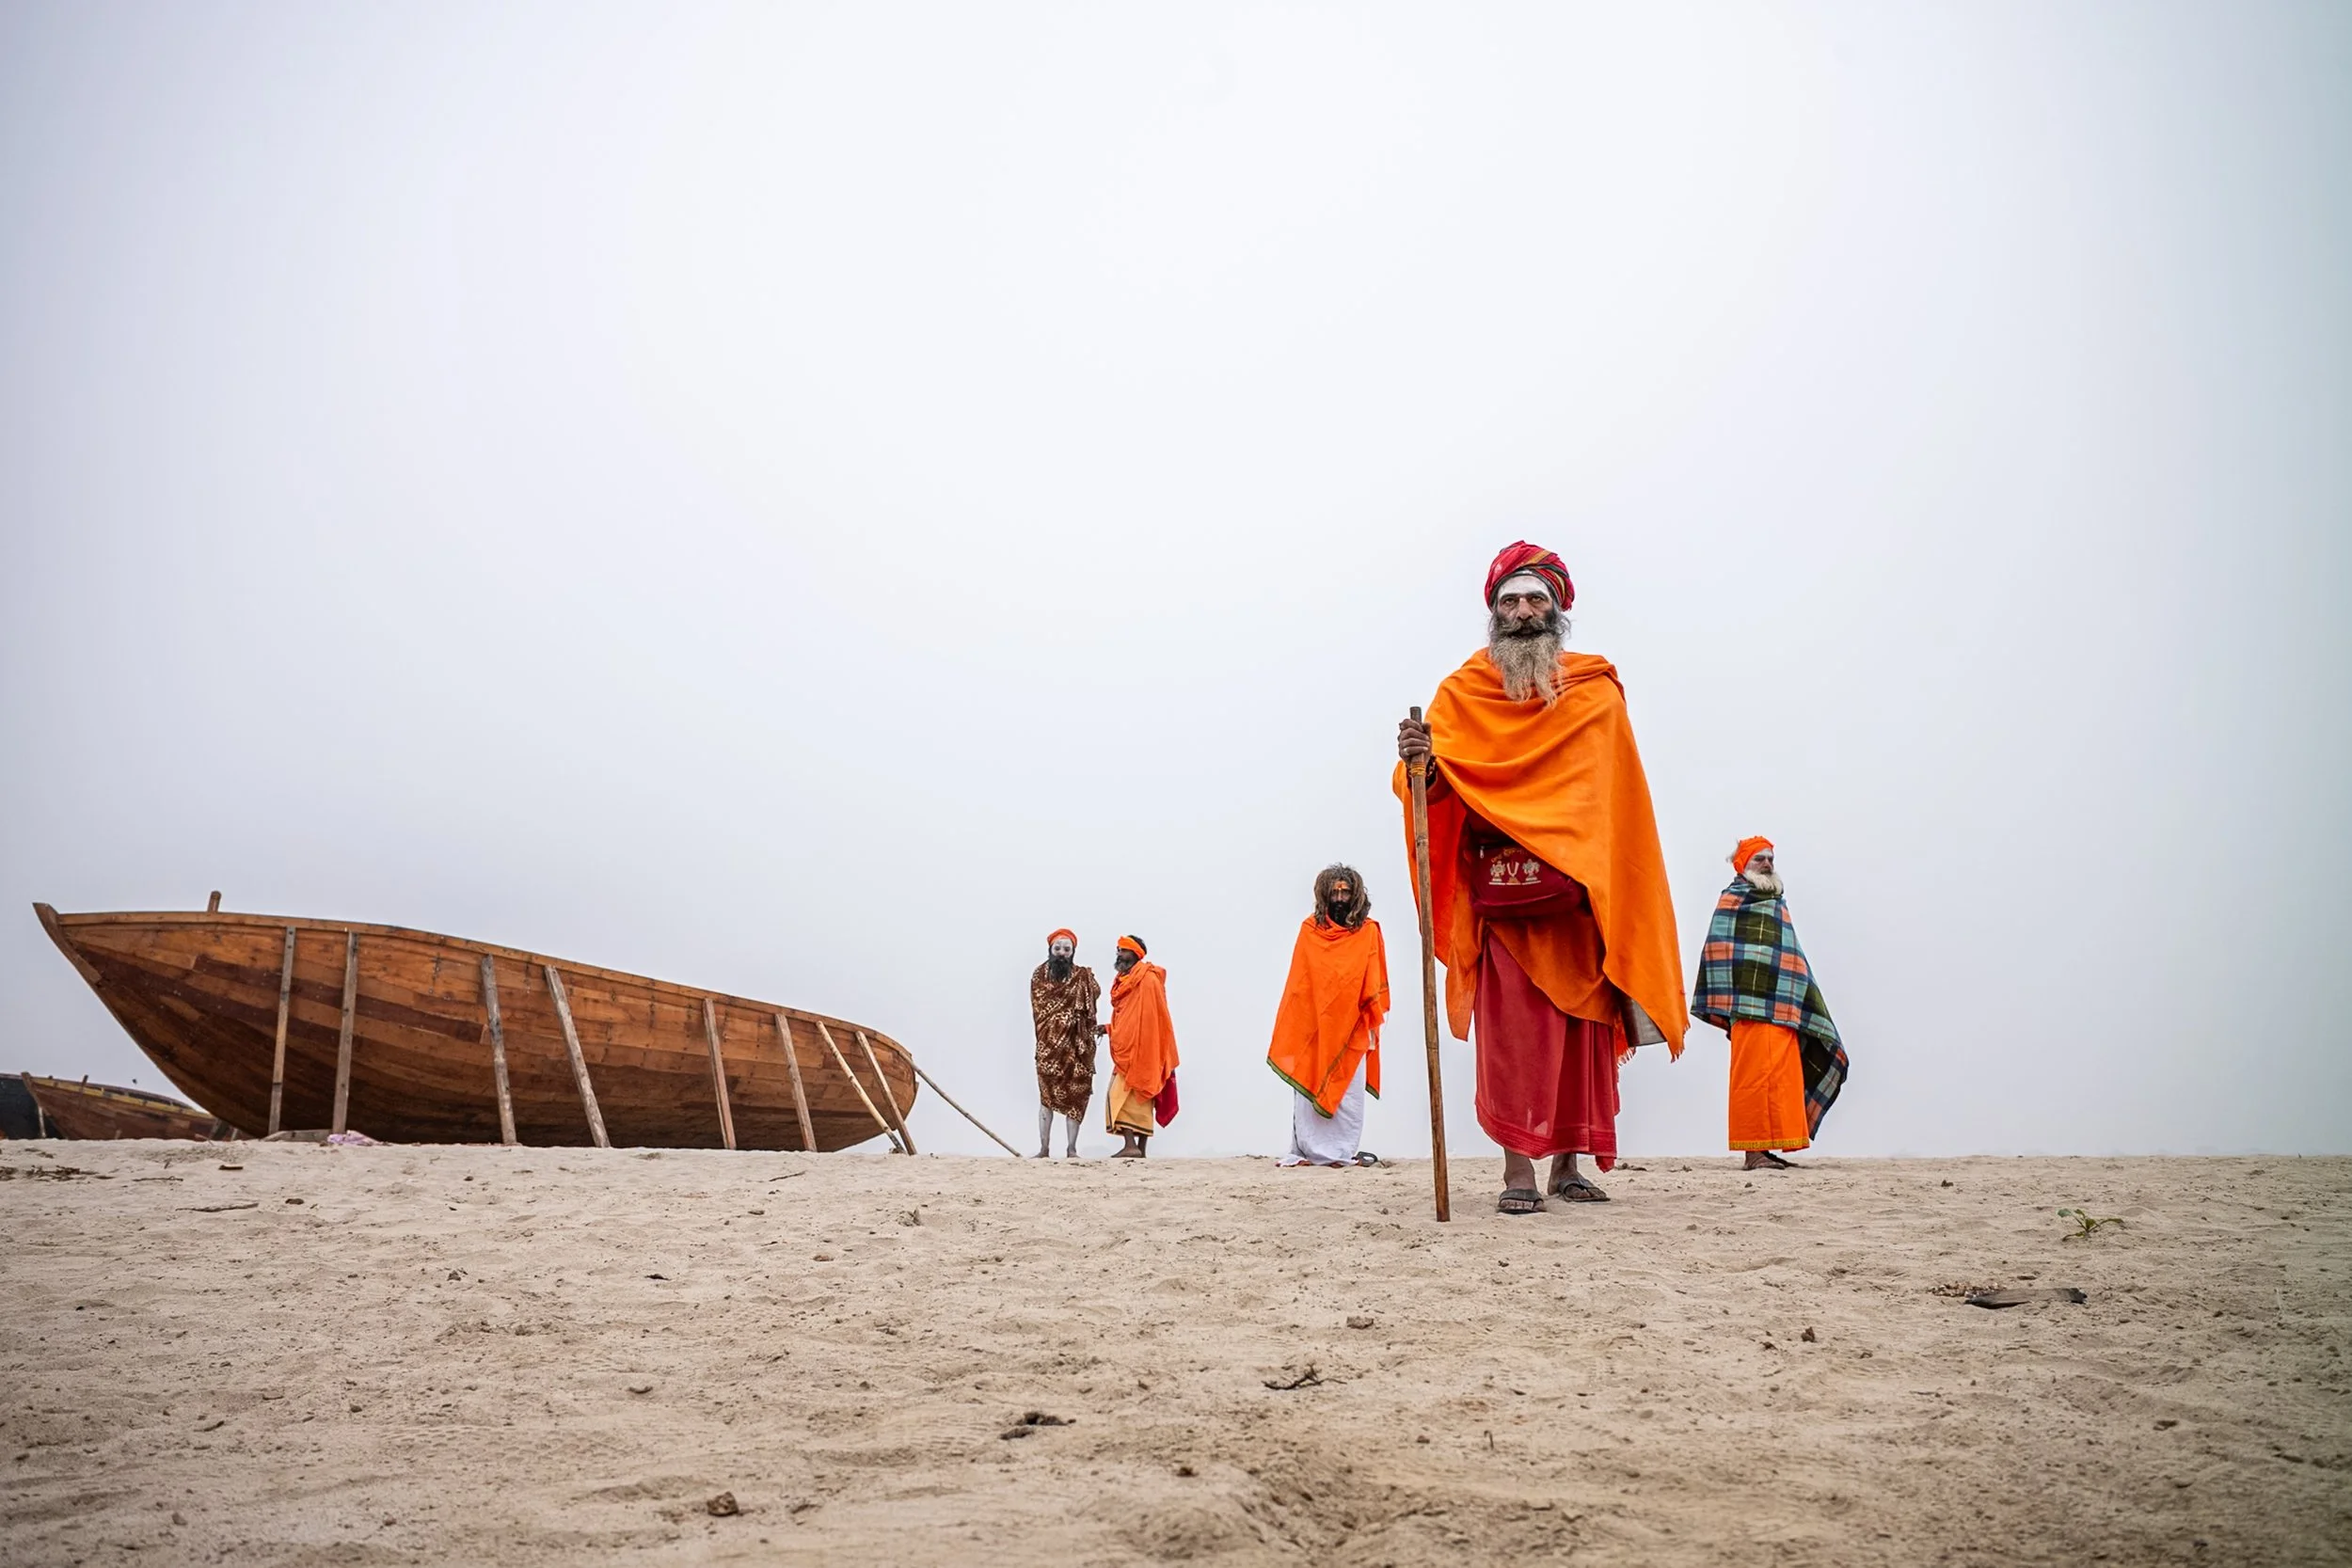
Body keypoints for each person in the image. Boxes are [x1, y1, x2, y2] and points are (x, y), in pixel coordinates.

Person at [1394, 541, 1688, 1214]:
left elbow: (1617, 804)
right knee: (1513, 1040)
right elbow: (1437, 789)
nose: (1522, 611)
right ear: (1494, 613)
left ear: (1558, 610)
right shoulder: (1463, 692)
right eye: (1509, 601)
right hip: (1504, 898)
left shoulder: (1593, 692)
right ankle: (1518, 1173)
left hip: (1577, 897)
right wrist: (1423, 764)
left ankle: (1569, 1166)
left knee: (1580, 1037)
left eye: (1535, 600)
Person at [1692, 837, 1849, 1169]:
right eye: (1759, 859)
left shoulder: (1777, 903)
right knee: (1753, 1078)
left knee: (1781, 1077)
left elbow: (1788, 958)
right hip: (1748, 1009)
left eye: (1770, 859)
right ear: (1743, 865)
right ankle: (1753, 1152)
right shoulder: (1732, 901)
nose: (1767, 864)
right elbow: (1720, 951)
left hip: (1781, 1008)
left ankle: (1768, 1148)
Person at [1266, 865, 1390, 1166]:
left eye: (1345, 891)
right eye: (1334, 891)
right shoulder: (1310, 930)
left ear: (1356, 895)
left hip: (1354, 1028)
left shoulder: (1369, 931)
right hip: (1314, 1028)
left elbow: (1373, 979)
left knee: (1348, 1094)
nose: (1339, 897)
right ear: (1323, 894)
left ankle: (1340, 1151)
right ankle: (1310, 1150)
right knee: (1309, 1092)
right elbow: (1301, 983)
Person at [1029, 928, 1104, 1159]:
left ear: (1073, 952)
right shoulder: (1039, 976)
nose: (1062, 953)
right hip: (1048, 1048)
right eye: (1058, 949)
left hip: (1077, 1047)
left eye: (1067, 949)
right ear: (1050, 950)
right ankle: (1044, 1149)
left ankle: (1072, 1149)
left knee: (1077, 1095)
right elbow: (1039, 1008)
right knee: (1046, 1098)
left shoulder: (1082, 976)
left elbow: (1097, 992)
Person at [1104, 936, 1178, 1158]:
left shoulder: (1148, 979)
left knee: (1123, 1095)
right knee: (1137, 1097)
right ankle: (1137, 1148)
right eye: (1118, 950)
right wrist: (1109, 1029)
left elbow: (1153, 1017)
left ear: (1136, 953)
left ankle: (1133, 1147)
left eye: (1124, 950)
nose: (1119, 954)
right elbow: (1127, 1017)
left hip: (1145, 1047)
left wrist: (1143, 1044)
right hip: (1128, 1045)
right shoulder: (1124, 981)